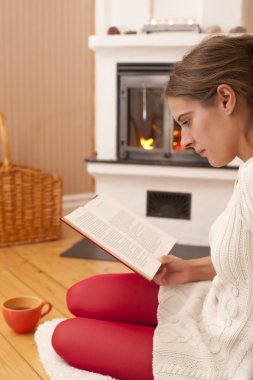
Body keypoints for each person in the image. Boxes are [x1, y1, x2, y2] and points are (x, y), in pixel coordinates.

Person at [52, 33, 253, 379]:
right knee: (82, 296)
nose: (186, 140)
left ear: (225, 98)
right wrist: (191, 270)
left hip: (225, 348)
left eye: (187, 121)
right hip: (215, 303)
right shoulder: (247, 168)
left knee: (64, 336)